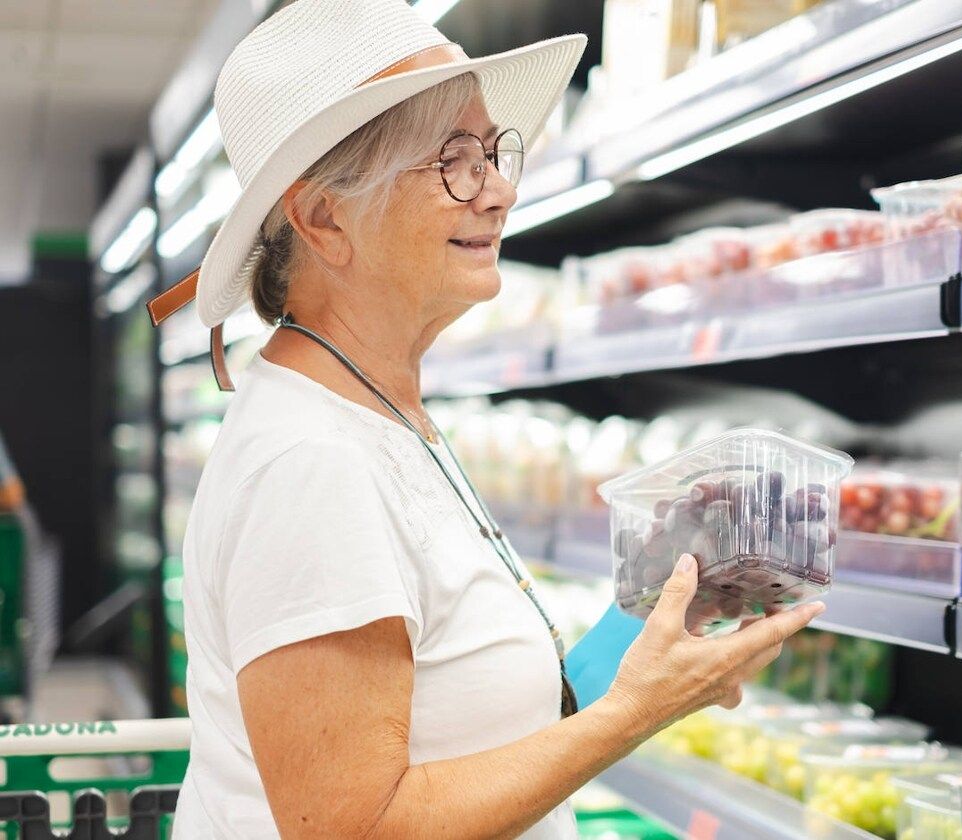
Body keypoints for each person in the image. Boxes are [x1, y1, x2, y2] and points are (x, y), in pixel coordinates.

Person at [148, 1, 826, 837]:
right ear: (325, 217)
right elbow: (353, 827)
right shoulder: (311, 462)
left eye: (493, 152)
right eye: (454, 163)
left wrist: (652, 626)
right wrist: (639, 714)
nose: (500, 190)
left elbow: (491, 717)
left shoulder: (388, 417)